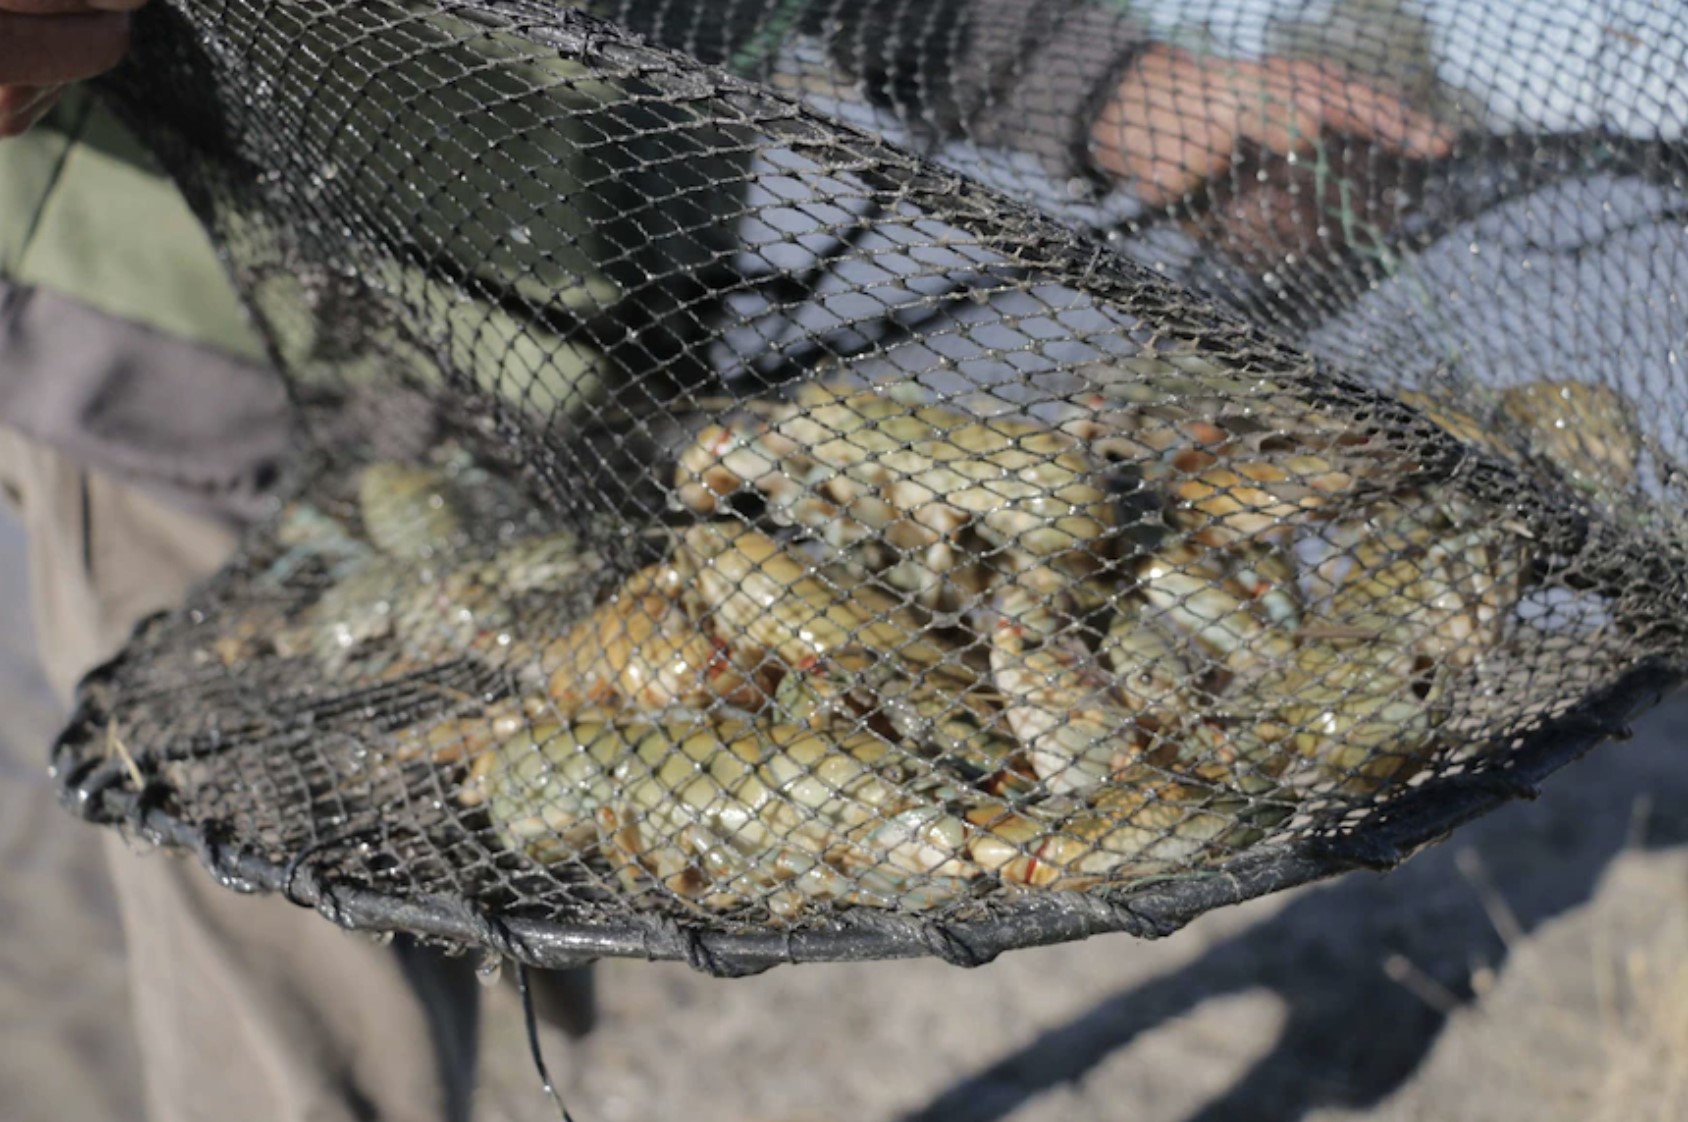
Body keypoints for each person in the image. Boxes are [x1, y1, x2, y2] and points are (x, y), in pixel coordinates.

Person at [0, 2, 1454, 1119]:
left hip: (611, 373)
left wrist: (1106, 82)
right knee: (297, 1006)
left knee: (534, 845)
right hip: (197, 374)